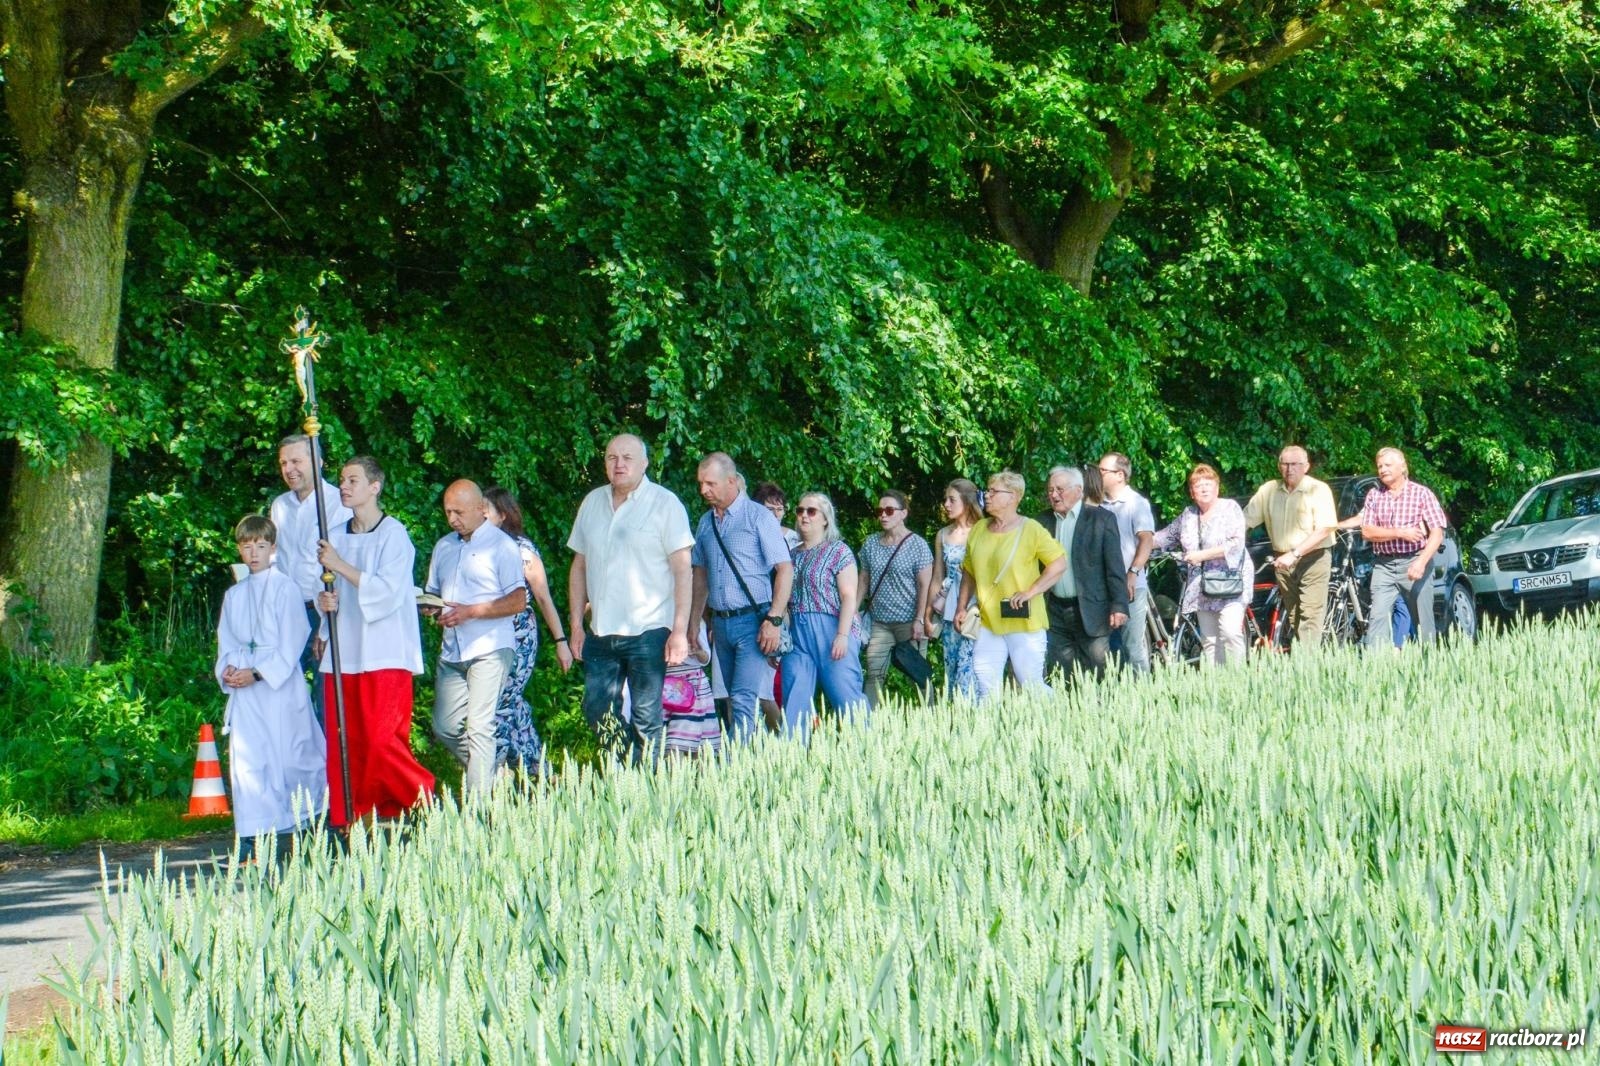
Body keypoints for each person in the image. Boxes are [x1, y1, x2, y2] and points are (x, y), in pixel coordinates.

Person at [315, 456, 435, 827]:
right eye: (341, 480)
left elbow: (386, 592)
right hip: (344, 650)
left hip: (384, 651)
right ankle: (350, 817)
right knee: (346, 740)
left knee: (383, 741)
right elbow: (327, 589)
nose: (345, 486)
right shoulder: (334, 535)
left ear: (374, 487)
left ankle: (423, 799)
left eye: (353, 480)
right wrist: (325, 607)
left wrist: (340, 566)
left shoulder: (393, 534)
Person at [568, 434, 694, 764]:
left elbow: (683, 571)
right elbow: (579, 565)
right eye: (611, 457)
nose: (619, 464)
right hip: (601, 629)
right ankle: (625, 772)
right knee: (596, 710)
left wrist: (679, 630)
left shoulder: (665, 504)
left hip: (650, 629)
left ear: (644, 463)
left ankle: (645, 791)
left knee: (646, 717)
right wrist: (576, 626)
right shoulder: (592, 502)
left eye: (627, 457)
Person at [215, 515, 326, 857]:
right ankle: (253, 830)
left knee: (293, 754)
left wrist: (259, 673)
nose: (253, 553)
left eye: (260, 546)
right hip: (247, 691)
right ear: (239, 549)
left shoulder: (286, 588)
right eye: (247, 547)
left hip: (278, 687)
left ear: (273, 548)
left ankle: (313, 816)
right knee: (250, 759)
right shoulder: (235, 595)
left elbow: (293, 640)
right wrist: (229, 670)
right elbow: (227, 640)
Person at [423, 480, 527, 796]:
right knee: (444, 726)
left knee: (480, 726)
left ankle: (480, 812)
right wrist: (429, 606)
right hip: (453, 649)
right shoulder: (444, 546)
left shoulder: (502, 546)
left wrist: (471, 611)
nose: (453, 518)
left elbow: (519, 600)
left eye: (459, 512)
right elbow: (433, 592)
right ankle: (493, 775)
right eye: (447, 512)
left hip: (491, 646)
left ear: (481, 508)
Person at [690, 453, 794, 741]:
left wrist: (773, 619)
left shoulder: (758, 516)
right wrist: (694, 623)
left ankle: (737, 764)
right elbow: (699, 575)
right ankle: (750, 754)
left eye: (710, 483)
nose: (703, 490)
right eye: (701, 483)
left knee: (744, 695)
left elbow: (785, 568)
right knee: (730, 699)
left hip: (753, 621)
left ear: (732, 481)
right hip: (720, 624)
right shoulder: (705, 523)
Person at [954, 471, 1067, 700]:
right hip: (987, 622)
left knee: (1030, 684)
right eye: (988, 490)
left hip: (1023, 621)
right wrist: (961, 606)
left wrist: (1031, 592)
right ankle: (992, 734)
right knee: (986, 685)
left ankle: (1061, 718)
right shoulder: (979, 529)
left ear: (1013, 496)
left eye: (994, 491)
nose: (987, 495)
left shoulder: (1031, 529)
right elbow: (969, 571)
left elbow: (1059, 563)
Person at [483, 486, 573, 774]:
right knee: (510, 703)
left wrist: (561, 641)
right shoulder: (476, 548)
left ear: (503, 515)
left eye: (485, 512)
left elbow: (544, 597)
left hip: (519, 636)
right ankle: (535, 767)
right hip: (488, 636)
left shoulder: (522, 551)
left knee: (500, 703)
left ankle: (490, 775)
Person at [269, 433, 352, 724]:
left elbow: (339, 565)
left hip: (322, 610)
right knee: (284, 691)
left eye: (296, 461)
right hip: (286, 610)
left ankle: (328, 766)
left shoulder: (336, 503)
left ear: (317, 462)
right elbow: (275, 560)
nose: (289, 468)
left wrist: (327, 627)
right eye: (283, 462)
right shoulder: (279, 506)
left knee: (324, 694)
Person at [780, 493, 867, 738]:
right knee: (795, 697)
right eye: (799, 510)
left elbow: (849, 596)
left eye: (811, 511)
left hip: (832, 628)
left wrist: (842, 635)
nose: (804, 515)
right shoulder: (791, 555)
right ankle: (792, 760)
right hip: (798, 631)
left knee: (845, 695)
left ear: (825, 519)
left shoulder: (839, 551)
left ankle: (866, 751)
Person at [1151, 464, 1253, 666]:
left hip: (1229, 581)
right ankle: (1218, 683)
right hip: (1201, 583)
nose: (1204, 489)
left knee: (1230, 632)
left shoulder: (1229, 508)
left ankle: (1239, 678)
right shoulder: (1189, 514)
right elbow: (1166, 536)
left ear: (1217, 487)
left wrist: (1201, 555)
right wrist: (1140, 539)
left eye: (1209, 484)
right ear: (1192, 492)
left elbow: (1236, 543)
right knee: (1210, 639)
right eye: (1199, 485)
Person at [1035, 466, 1128, 681]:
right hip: (1054, 609)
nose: (1054, 495)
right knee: (1061, 672)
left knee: (1101, 670)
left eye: (1059, 489)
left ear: (1078, 490)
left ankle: (1109, 710)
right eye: (1050, 490)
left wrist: (1119, 605)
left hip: (1092, 608)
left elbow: (1114, 567)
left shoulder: (1101, 519)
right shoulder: (1041, 522)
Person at [1242, 445, 1339, 645]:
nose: (1289, 469)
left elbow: (1324, 529)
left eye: (1295, 464)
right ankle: (1303, 663)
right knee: (1294, 616)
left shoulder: (1318, 489)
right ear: (1279, 466)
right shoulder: (1269, 490)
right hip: (1282, 561)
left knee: (1310, 616)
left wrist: (1294, 554)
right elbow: (1244, 520)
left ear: (1306, 466)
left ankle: (1307, 669)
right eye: (1285, 464)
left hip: (1314, 558)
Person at [1360, 447, 1448, 649]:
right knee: (1378, 618)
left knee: (1422, 621)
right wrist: (1400, 532)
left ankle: (1429, 668)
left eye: (1388, 465)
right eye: (1380, 466)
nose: (1382, 469)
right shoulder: (1374, 496)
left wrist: (1421, 562)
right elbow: (1367, 532)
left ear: (1403, 466)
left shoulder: (1421, 494)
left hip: (1415, 560)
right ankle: (1376, 671)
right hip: (1384, 565)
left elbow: (1437, 533)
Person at [856, 490, 933, 708]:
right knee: (874, 673)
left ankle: (933, 721)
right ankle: (866, 726)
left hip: (909, 622)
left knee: (918, 674)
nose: (883, 515)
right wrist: (854, 611)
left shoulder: (917, 544)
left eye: (889, 510)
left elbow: (924, 585)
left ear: (903, 514)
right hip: (880, 623)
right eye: (880, 511)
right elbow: (864, 579)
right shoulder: (871, 543)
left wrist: (919, 620)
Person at [1097, 453, 1157, 672]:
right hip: (1102, 587)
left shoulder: (1136, 503)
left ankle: (1143, 698)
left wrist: (1132, 572)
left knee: (1133, 647)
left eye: (1102, 470)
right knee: (1106, 648)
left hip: (1130, 586)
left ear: (1119, 475)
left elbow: (1146, 540)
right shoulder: (1096, 504)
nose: (1097, 474)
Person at [925, 478, 981, 698]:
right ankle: (957, 721)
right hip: (949, 609)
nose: (946, 504)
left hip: (976, 609)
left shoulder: (982, 530)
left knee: (970, 668)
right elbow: (938, 576)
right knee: (953, 665)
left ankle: (976, 718)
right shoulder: (942, 534)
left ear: (967, 501)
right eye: (945, 499)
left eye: (952, 499)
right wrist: (928, 614)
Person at [663, 623, 721, 757]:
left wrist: (696, 652)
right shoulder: (662, 621)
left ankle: (693, 772)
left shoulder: (697, 624)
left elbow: (706, 658)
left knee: (691, 734)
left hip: (692, 685)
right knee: (669, 738)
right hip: (668, 685)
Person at [752, 482, 802, 551]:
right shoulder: (749, 536)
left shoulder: (794, 539)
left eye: (780, 509)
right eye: (770, 509)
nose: (776, 514)